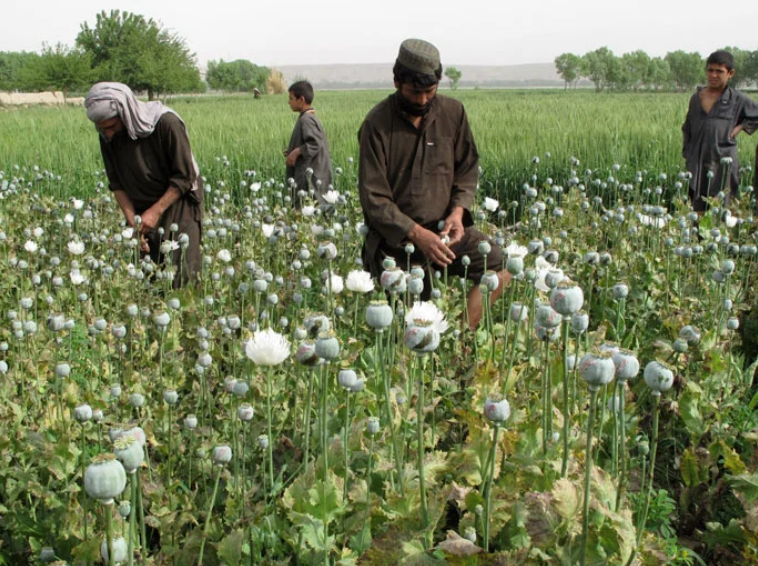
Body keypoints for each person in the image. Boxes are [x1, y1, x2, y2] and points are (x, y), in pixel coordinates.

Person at [358, 38, 509, 329]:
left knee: (500, 266)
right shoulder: (376, 124)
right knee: (413, 326)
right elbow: (374, 198)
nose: (423, 100)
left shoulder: (453, 113)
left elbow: (467, 168)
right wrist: (416, 234)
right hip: (397, 244)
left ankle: (461, 338)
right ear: (396, 82)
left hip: (445, 234)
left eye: (430, 91)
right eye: (415, 92)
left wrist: (457, 213)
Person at [85, 82, 203, 288]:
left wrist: (155, 212)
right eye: (102, 129)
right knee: (146, 277)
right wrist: (134, 223)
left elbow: (185, 176)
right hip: (139, 208)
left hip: (178, 204)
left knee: (180, 276)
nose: (108, 134)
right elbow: (117, 183)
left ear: (126, 114)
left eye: (112, 127)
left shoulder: (166, 123)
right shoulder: (107, 136)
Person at [682, 50, 758, 212]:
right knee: (698, 212)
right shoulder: (696, 99)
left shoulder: (737, 99)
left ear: (730, 73)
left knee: (723, 210)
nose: (713, 75)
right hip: (698, 164)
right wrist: (688, 154)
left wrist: (741, 126)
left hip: (723, 165)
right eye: (710, 70)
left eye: (719, 71)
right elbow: (687, 128)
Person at [284, 80, 333, 206]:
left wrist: (296, 152)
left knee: (308, 208)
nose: (289, 102)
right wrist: (291, 151)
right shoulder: (307, 117)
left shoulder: (307, 120)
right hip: (309, 174)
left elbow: (315, 143)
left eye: (291, 98)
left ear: (301, 100)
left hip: (310, 177)